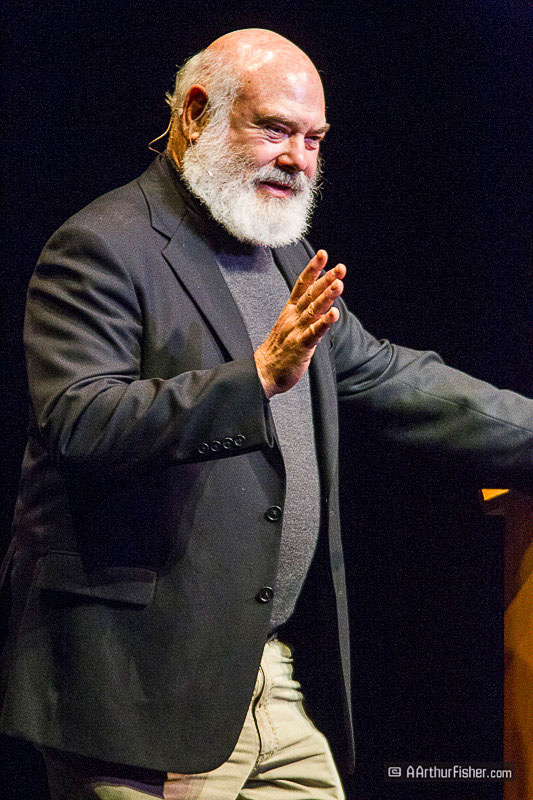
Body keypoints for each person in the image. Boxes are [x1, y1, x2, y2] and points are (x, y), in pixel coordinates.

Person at [1, 27, 531, 800]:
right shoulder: (101, 246)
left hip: (266, 673)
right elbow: (84, 422)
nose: (298, 158)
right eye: (274, 128)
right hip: (144, 687)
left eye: (313, 138)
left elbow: (386, 374)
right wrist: (254, 378)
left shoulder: (280, 254)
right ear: (194, 112)